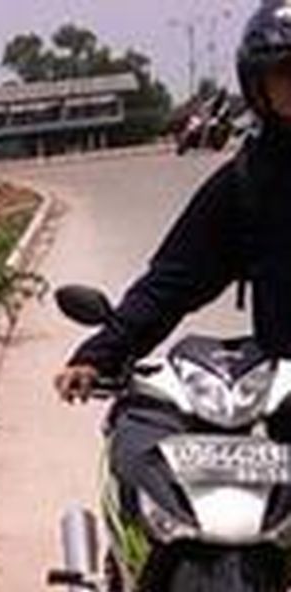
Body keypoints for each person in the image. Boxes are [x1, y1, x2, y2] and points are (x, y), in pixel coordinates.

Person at [56, 1, 291, 404]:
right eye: (286, 72)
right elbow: (174, 281)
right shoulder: (247, 184)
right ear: (259, 85)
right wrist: (101, 353)